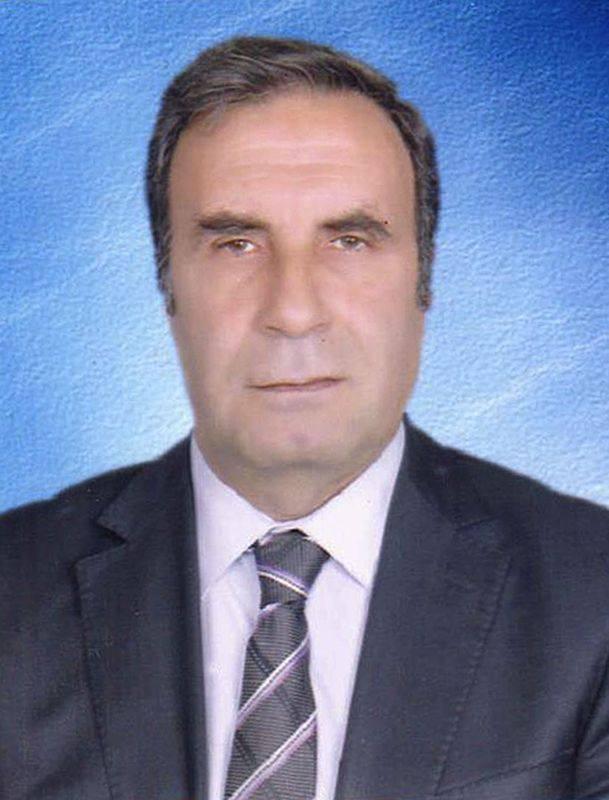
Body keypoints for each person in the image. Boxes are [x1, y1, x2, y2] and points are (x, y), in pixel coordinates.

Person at [1, 35, 608, 800]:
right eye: (236, 244)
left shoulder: (594, 599)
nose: (292, 310)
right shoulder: (12, 594)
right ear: (168, 286)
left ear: (422, 284)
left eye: (349, 241)